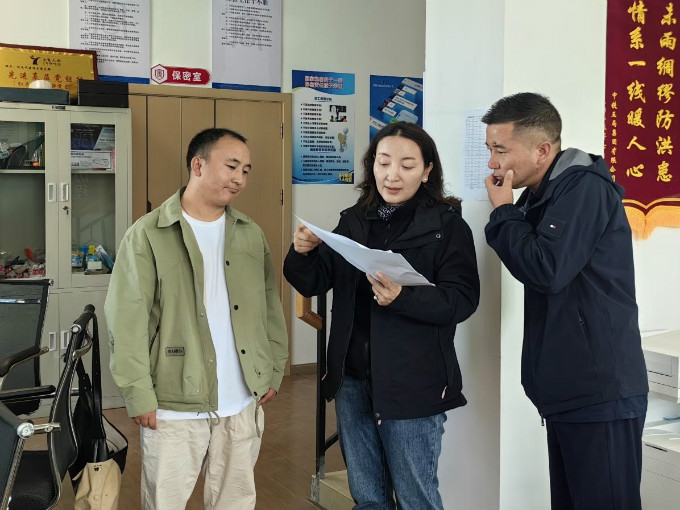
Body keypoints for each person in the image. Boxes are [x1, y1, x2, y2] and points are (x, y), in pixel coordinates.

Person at [284, 121, 480, 510]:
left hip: (413, 382)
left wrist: (403, 298)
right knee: (368, 498)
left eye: (407, 165)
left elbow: (461, 300)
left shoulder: (447, 227)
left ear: (427, 171)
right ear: (371, 164)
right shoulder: (356, 219)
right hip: (352, 378)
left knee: (415, 498)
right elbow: (315, 280)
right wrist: (302, 252)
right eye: (383, 162)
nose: (392, 175)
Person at [104, 128, 288, 510]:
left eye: (246, 170)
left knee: (236, 502)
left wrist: (273, 368)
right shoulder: (148, 235)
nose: (240, 179)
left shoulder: (250, 234)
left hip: (242, 400)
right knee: (165, 503)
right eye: (232, 166)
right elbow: (127, 322)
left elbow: (270, 307)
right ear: (198, 165)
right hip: (173, 404)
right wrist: (138, 393)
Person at [482, 92, 649, 510]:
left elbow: (546, 269)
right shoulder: (544, 194)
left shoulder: (584, 189)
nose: (492, 163)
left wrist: (503, 213)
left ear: (542, 150)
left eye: (501, 150)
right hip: (568, 392)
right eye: (489, 150)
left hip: (600, 391)